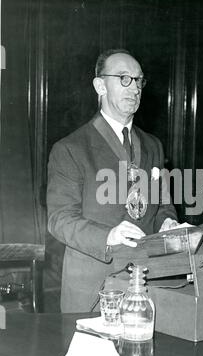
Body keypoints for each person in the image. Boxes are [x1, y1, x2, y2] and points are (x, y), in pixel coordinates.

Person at [47, 49, 178, 312]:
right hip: (93, 289)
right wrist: (108, 235)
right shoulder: (70, 148)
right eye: (123, 78)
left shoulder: (154, 145)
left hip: (146, 283)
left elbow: (163, 203)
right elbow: (59, 220)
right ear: (100, 85)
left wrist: (167, 220)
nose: (135, 88)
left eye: (139, 80)